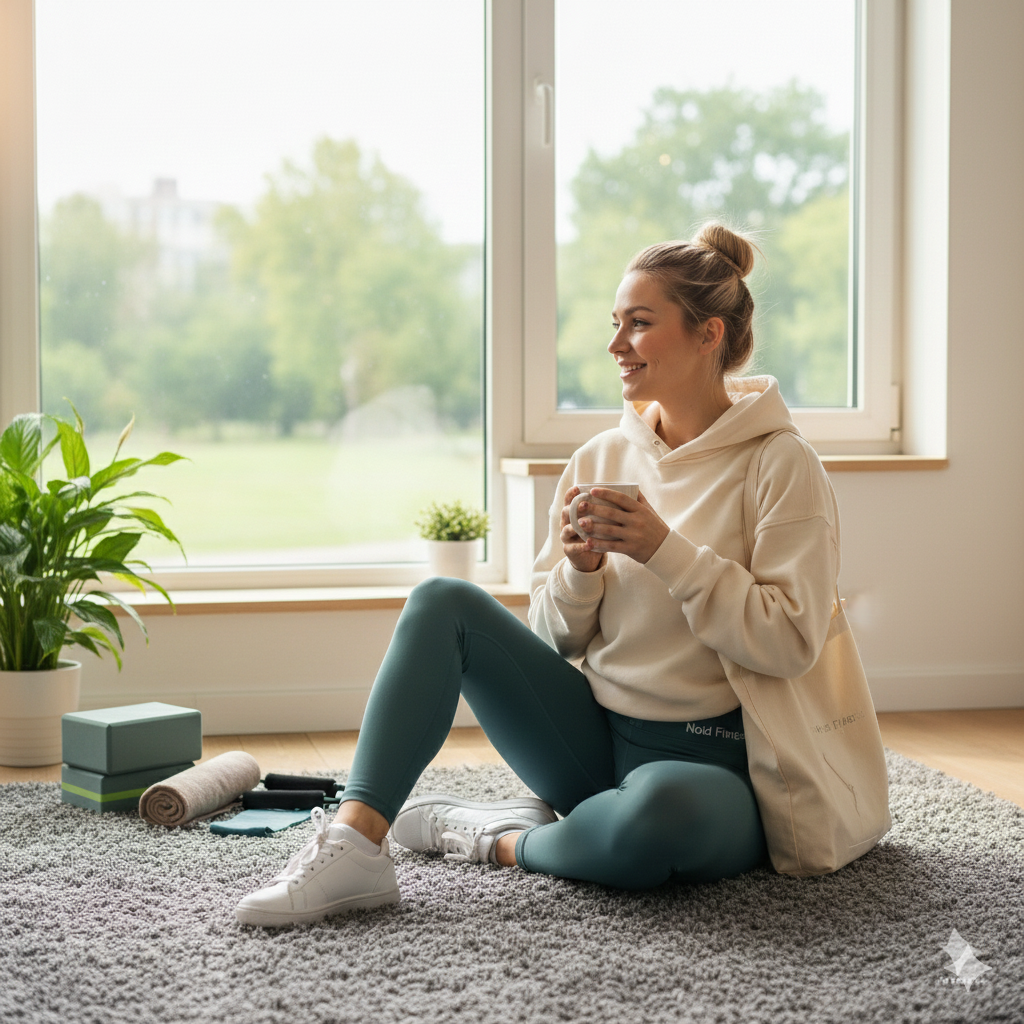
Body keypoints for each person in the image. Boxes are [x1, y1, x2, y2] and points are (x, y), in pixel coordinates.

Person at [235, 222, 843, 928]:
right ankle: (355, 845)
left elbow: (792, 643)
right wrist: (581, 573)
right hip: (591, 743)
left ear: (709, 335)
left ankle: (495, 837)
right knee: (442, 600)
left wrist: (663, 551)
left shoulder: (781, 464)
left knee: (653, 823)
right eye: (615, 324)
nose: (616, 345)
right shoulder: (598, 459)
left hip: (717, 767)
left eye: (639, 325)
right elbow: (553, 637)